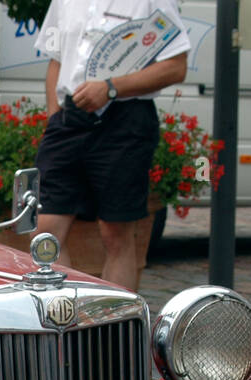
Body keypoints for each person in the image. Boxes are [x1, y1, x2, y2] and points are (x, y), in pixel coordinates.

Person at [33, 0, 190, 290]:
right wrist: (54, 117)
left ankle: (114, 329)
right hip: (68, 119)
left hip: (125, 120)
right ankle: (65, 323)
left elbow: (176, 66)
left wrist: (111, 88)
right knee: (46, 232)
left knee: (115, 233)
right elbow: (55, 58)